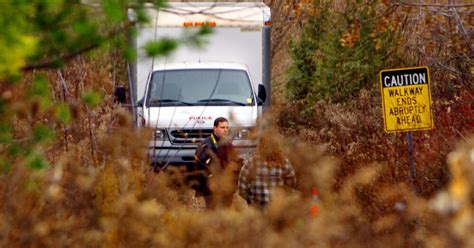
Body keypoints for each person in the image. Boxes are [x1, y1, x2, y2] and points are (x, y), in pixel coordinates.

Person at [238, 131, 296, 210]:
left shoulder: (251, 163)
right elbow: (291, 185)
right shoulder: (283, 162)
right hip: (278, 209)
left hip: (256, 209)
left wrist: (250, 201)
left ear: (261, 145)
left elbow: (242, 188)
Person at [192, 117, 240, 209]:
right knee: (212, 211)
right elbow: (199, 167)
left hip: (226, 186)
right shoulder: (205, 145)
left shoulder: (228, 145)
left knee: (226, 211)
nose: (225, 130)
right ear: (214, 128)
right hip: (210, 186)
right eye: (222, 127)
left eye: (227, 127)